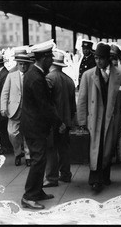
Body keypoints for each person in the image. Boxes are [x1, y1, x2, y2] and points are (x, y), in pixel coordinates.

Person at [77, 43, 121, 192]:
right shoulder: (88, 75)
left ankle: (105, 176)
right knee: (95, 149)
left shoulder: (120, 76)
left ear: (108, 58)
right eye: (96, 58)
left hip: (111, 119)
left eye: (101, 58)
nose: (98, 61)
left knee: (108, 149)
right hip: (94, 120)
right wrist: (81, 121)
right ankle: (95, 180)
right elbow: (82, 100)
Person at [20, 42, 66, 210]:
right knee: (38, 160)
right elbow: (44, 106)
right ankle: (29, 196)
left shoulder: (33, 74)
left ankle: (37, 191)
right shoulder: (36, 78)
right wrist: (58, 123)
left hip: (34, 125)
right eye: (50, 57)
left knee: (41, 158)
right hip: (34, 127)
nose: (52, 60)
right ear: (44, 58)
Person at [43, 50, 76, 188]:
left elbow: (47, 103)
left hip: (54, 121)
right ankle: (66, 174)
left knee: (51, 149)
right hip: (67, 120)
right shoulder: (69, 80)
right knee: (64, 148)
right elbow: (73, 105)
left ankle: (51, 177)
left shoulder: (49, 78)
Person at [0, 51, 32, 166]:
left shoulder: (31, 76)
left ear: (28, 64)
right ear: (17, 64)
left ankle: (28, 156)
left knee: (28, 133)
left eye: (25, 64)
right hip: (14, 109)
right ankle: (18, 153)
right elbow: (5, 93)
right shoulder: (11, 76)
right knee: (12, 133)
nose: (23, 66)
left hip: (28, 110)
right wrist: (3, 107)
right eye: (20, 64)